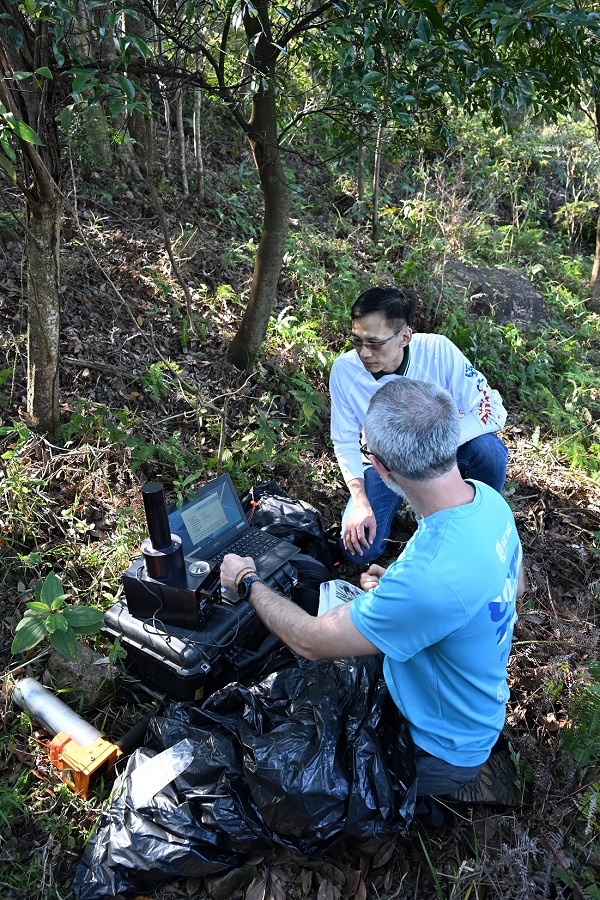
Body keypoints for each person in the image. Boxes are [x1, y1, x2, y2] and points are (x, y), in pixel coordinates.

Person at [221, 378, 524, 816]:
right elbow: (513, 586)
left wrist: (248, 580)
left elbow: (309, 640)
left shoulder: (429, 581)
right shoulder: (489, 503)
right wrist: (408, 605)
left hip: (439, 748)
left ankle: (432, 801)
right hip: (477, 709)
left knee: (295, 783)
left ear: (381, 470)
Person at [330, 284, 508, 563]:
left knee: (489, 451)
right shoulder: (344, 370)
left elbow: (493, 409)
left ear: (405, 337)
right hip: (383, 464)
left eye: (375, 343)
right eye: (357, 341)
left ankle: (476, 524)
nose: (364, 353)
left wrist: (437, 442)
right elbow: (344, 439)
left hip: (440, 456)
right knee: (359, 549)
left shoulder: (438, 351)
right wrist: (360, 498)